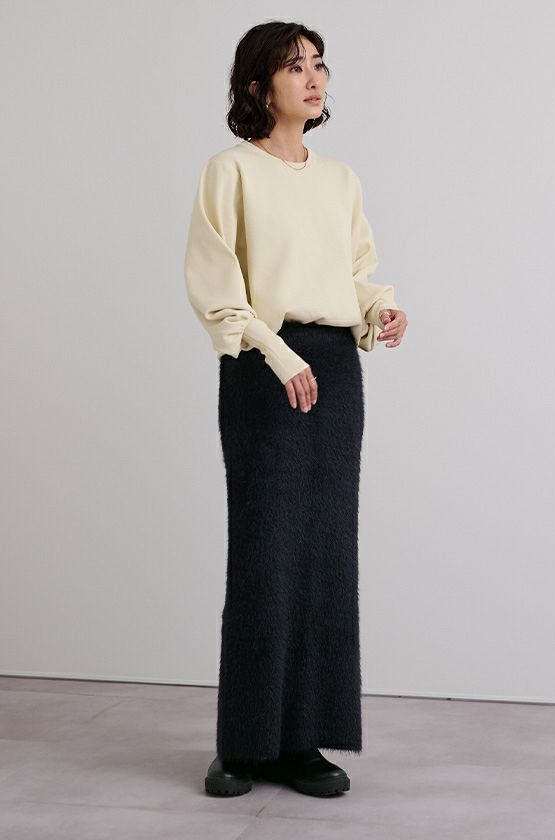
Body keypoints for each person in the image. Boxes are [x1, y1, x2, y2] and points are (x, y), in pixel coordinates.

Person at [183, 21, 408, 799]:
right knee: (265, 552)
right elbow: (217, 286)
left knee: (324, 552)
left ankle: (301, 741)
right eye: (293, 67)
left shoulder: (340, 179)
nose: (314, 79)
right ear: (258, 86)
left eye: (319, 65)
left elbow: (356, 271)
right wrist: (277, 356)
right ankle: (243, 744)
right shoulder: (230, 172)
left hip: (335, 370)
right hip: (263, 367)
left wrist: (379, 311)